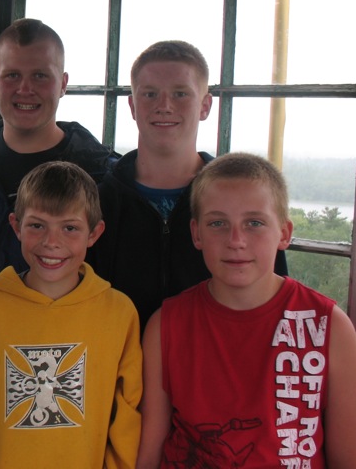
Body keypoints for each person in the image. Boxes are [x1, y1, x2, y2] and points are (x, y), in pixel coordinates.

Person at [137, 152, 356, 468]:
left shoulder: (328, 327)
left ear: (284, 233)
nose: (236, 240)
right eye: (218, 223)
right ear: (196, 233)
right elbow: (149, 454)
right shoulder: (166, 325)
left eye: (254, 223)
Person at [0, 161, 142, 468]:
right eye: (37, 225)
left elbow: (127, 417)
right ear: (16, 226)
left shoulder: (118, 314)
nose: (52, 242)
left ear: (94, 233)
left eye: (70, 228)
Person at [90, 40, 286, 331]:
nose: (164, 106)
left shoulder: (242, 201)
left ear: (205, 105)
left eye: (180, 93)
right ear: (132, 105)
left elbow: (274, 299)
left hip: (215, 356)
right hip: (116, 357)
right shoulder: (97, 202)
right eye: (150, 94)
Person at [0, 18, 118, 294]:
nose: (25, 89)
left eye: (40, 76)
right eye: (12, 75)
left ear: (63, 84)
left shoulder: (102, 175)